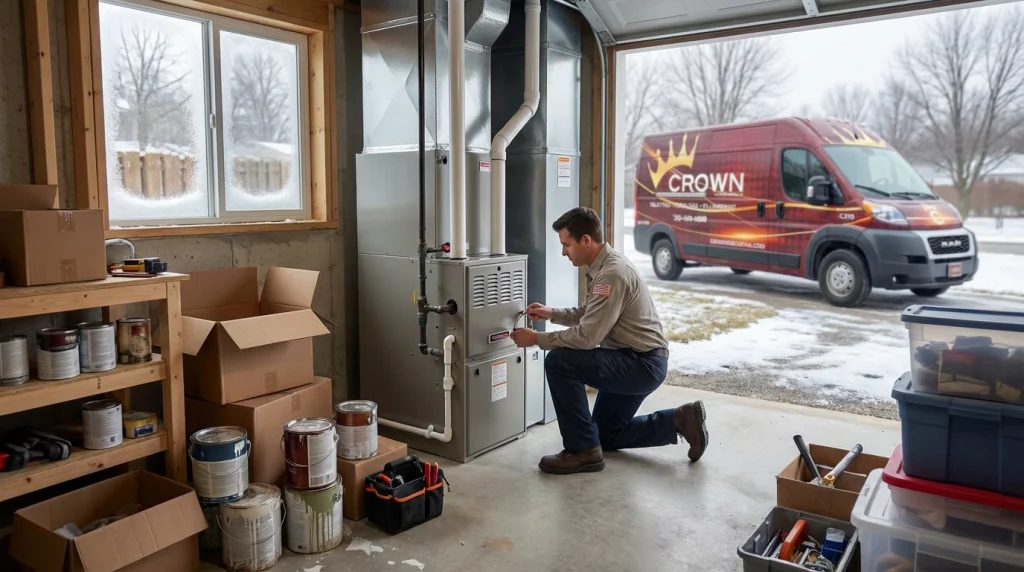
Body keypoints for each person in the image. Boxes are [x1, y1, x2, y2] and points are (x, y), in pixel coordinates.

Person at [510, 207, 708, 475]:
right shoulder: (604, 266)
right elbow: (589, 314)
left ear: (586, 241)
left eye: (566, 244)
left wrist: (537, 339)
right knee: (606, 434)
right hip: (635, 359)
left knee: (558, 361)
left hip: (640, 364)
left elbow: (588, 337)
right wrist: (551, 313)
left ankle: (581, 451)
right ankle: (679, 420)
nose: (563, 252)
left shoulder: (611, 273)